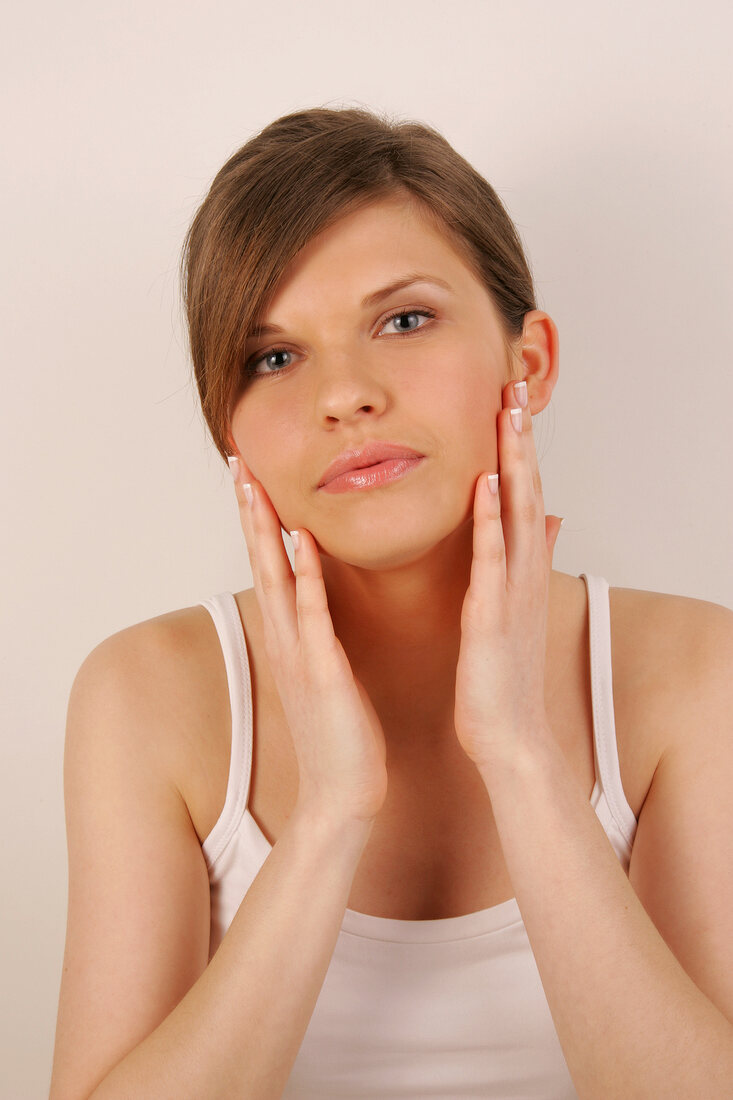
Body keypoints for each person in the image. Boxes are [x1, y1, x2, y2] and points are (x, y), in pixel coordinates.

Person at [50, 106, 733, 1099]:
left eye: (403, 319)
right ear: (226, 427)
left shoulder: (691, 673)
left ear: (528, 360)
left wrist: (520, 754)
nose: (345, 394)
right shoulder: (150, 694)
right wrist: (330, 811)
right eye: (272, 356)